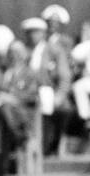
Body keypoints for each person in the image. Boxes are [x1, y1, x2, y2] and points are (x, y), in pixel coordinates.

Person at [0, 40, 40, 176]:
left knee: (4, 118)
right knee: (3, 114)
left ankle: (0, 171)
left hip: (22, 115)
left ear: (23, 55)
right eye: (11, 53)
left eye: (17, 53)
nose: (14, 56)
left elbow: (32, 96)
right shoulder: (0, 71)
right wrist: (0, 97)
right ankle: (20, 136)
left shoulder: (29, 73)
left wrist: (10, 98)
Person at [21, 17, 71, 155]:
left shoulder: (54, 51)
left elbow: (64, 76)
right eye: (29, 32)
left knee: (53, 108)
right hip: (26, 93)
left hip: (48, 90)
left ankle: (47, 146)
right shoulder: (22, 51)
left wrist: (60, 94)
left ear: (43, 33)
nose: (33, 36)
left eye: (36, 32)